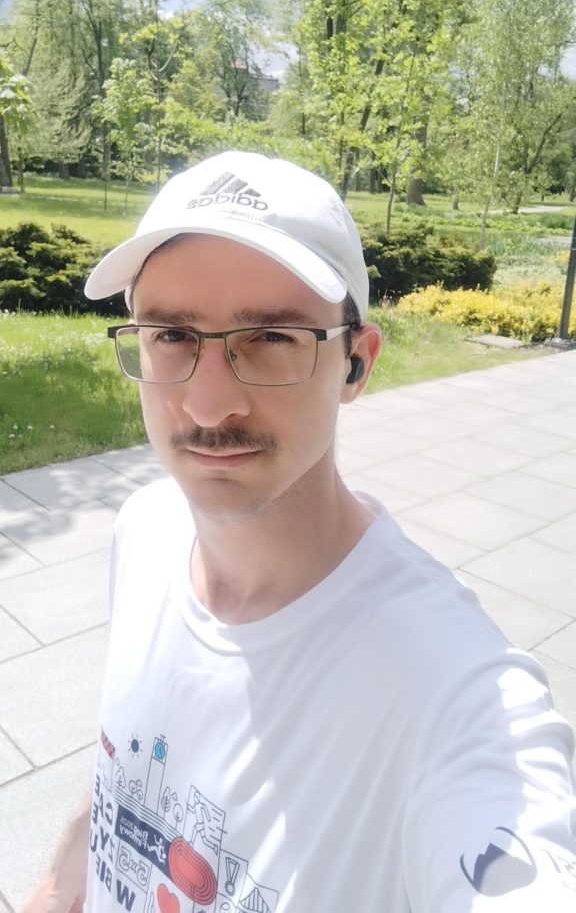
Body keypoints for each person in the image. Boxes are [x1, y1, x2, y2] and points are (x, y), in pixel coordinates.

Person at [23, 151, 576, 913]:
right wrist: (59, 882)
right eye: (172, 335)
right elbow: (127, 769)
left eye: (272, 338)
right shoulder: (145, 530)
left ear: (356, 364)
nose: (208, 405)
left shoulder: (456, 694)